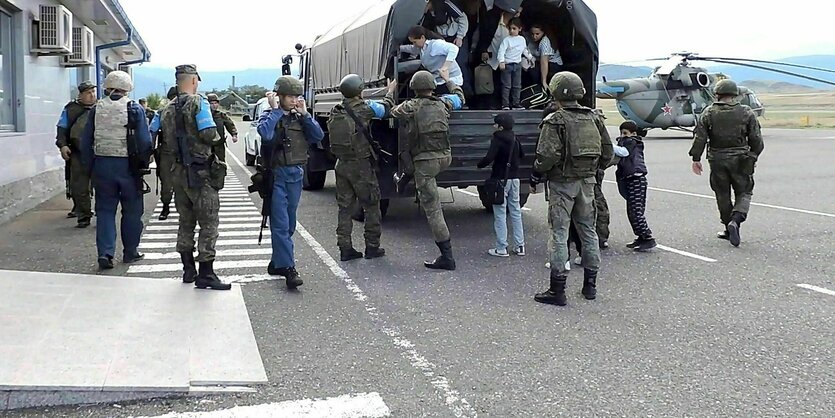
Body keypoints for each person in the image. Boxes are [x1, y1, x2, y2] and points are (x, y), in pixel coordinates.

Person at [529, 71, 613, 306]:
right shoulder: (595, 118)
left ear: (555, 91)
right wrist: (594, 172)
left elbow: (546, 155)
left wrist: (537, 171)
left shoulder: (555, 120)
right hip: (587, 182)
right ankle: (590, 286)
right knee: (588, 231)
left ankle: (558, 290)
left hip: (562, 183)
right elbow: (607, 152)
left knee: (559, 232)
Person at [382, 69, 464, 270]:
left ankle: (447, 257)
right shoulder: (444, 103)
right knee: (412, 162)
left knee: (433, 209)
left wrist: (389, 91)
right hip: (445, 157)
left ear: (414, 88)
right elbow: (460, 97)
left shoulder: (410, 106)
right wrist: (449, 80)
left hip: (426, 162)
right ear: (432, 87)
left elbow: (389, 111)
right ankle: (405, 178)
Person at [160, 64, 230, 290]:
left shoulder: (167, 108)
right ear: (193, 80)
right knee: (209, 223)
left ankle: (188, 269)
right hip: (200, 173)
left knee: (185, 221)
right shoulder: (199, 103)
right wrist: (217, 138)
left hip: (177, 172)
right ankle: (206, 273)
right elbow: (209, 134)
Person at [257, 76, 325, 289]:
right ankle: (288, 268)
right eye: (290, 96)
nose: (294, 100)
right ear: (279, 97)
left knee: (290, 224)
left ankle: (277, 262)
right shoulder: (270, 116)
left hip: (295, 174)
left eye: (297, 96)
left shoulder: (300, 118)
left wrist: (305, 114)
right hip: (277, 176)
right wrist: (276, 110)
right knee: (280, 224)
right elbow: (265, 135)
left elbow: (317, 136)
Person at [80, 71, 152, 270]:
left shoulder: (97, 109)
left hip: (102, 166)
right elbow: (145, 141)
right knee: (132, 211)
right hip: (128, 168)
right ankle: (130, 252)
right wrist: (143, 164)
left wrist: (90, 168)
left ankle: (105, 253)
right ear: (127, 87)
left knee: (104, 211)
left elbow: (86, 141)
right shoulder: (134, 108)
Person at [689, 79, 763, 247]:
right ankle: (736, 221)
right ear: (735, 94)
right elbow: (757, 140)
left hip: (717, 160)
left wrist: (696, 158)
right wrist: (753, 156)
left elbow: (700, 138)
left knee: (722, 194)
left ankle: (728, 227)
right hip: (741, 160)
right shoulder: (746, 112)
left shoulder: (708, 113)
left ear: (717, 94)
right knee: (744, 192)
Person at [328, 74, 391, 262]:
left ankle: (345, 248)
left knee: (344, 208)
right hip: (360, 165)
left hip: (341, 164)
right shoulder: (364, 109)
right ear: (359, 90)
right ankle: (372, 247)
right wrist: (390, 92)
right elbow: (385, 110)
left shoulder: (335, 110)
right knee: (372, 204)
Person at [478, 113, 525, 257]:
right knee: (516, 212)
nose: (493, 126)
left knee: (500, 213)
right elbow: (522, 155)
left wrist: (480, 165)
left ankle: (501, 248)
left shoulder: (497, 139)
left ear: (500, 126)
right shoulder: (515, 138)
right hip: (515, 179)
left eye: (495, 124)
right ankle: (520, 246)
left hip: (500, 179)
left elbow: (489, 157)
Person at [56, 81, 97, 228]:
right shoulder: (71, 109)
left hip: (98, 153)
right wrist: (63, 145)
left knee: (103, 185)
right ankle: (84, 215)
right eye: (88, 93)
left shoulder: (101, 108)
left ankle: (102, 212)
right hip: (78, 153)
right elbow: (61, 128)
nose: (92, 95)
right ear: (80, 95)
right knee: (79, 187)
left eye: (93, 92)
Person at [615, 120, 656, 251]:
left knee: (636, 212)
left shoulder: (632, 142)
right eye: (621, 133)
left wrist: (608, 145)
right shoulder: (626, 141)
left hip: (636, 178)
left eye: (625, 133)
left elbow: (624, 152)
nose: (622, 135)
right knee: (632, 211)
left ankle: (647, 238)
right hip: (630, 178)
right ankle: (641, 237)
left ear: (633, 133)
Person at [422, 0, 472, 97]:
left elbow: (462, 18)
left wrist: (460, 36)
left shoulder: (446, 4)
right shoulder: (426, 15)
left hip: (456, 37)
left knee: (460, 63)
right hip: (441, 39)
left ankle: (466, 94)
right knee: (445, 67)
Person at [401, 26, 464, 95]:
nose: (414, 44)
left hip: (451, 80)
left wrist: (445, 67)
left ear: (422, 37)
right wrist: (399, 48)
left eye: (414, 42)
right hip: (438, 79)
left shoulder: (435, 44)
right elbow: (411, 49)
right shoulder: (421, 48)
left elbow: (453, 48)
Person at [149, 87, 178, 220]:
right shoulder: (161, 113)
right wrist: (151, 150)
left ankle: (170, 208)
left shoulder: (189, 110)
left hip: (180, 152)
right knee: (167, 182)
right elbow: (153, 131)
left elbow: (153, 131)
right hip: (168, 152)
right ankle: (166, 206)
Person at [497, 18, 532, 109]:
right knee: (506, 85)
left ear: (520, 29)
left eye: (514, 28)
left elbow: (524, 50)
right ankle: (505, 104)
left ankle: (516, 103)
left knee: (517, 85)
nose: (511, 31)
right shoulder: (507, 40)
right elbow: (501, 51)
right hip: (508, 64)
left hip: (517, 64)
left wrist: (530, 57)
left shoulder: (522, 39)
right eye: (510, 28)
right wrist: (501, 61)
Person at [527, 24, 563, 89]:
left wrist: (544, 81)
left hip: (553, 64)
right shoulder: (532, 39)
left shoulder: (544, 42)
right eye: (532, 34)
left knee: (534, 72)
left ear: (543, 32)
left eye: (537, 34)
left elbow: (544, 62)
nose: (534, 36)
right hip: (543, 62)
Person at [206, 93, 238, 162]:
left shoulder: (221, 115)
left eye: (215, 103)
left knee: (220, 164)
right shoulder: (204, 116)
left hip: (219, 144)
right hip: (206, 145)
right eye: (211, 103)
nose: (214, 105)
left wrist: (234, 134)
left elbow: (230, 124)